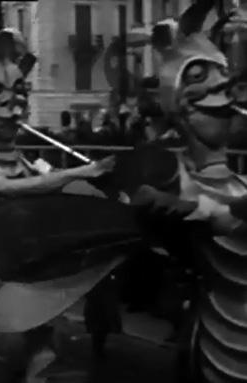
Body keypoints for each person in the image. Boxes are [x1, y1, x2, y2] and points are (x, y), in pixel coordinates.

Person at [0, 29, 119, 381]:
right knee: (9, 356)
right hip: (3, 283)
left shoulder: (32, 163)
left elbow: (53, 187)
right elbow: (16, 189)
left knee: (45, 355)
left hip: (40, 282)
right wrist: (83, 170)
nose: (14, 107)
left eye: (21, 93)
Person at [132, 3, 247, 381]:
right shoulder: (174, 176)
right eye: (200, 78)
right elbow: (170, 209)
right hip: (222, 339)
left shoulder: (240, 181)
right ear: (179, 106)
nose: (222, 89)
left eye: (224, 75)